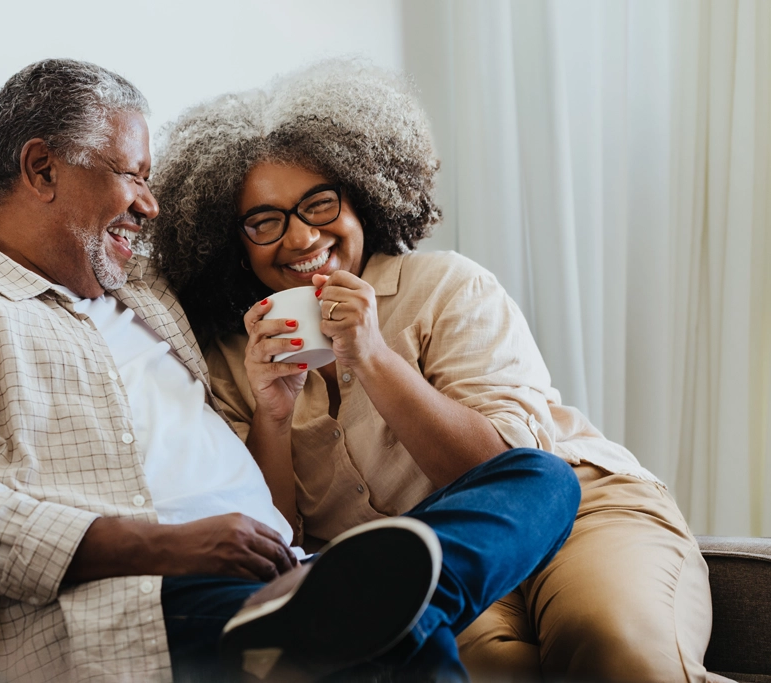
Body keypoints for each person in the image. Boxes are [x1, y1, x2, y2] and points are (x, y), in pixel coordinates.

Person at [0, 58, 579, 683]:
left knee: (543, 479)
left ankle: (360, 598)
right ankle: (370, 606)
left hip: (283, 570)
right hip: (132, 603)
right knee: (392, 641)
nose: (152, 205)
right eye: (132, 174)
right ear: (41, 168)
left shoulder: (149, 300)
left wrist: (277, 407)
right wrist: (167, 544)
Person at [145, 59, 714, 683]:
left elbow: (504, 476)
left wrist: (372, 356)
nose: (302, 237)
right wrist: (273, 415)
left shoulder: (446, 287)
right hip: (426, 566)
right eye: (265, 220)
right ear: (234, 242)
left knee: (613, 648)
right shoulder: (230, 359)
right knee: (491, 671)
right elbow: (278, 545)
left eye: (320, 203)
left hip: (577, 513)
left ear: (362, 198)